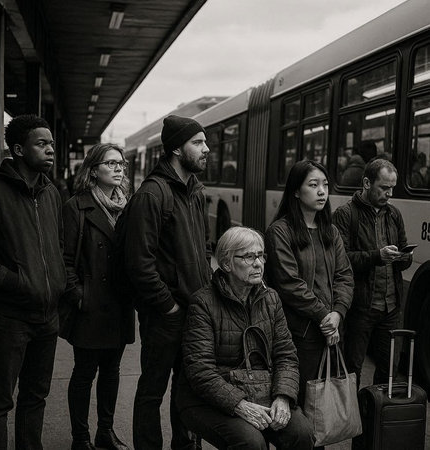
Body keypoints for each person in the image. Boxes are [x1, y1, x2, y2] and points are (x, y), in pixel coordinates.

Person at [121, 115, 212, 450]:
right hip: (165, 315)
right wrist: (168, 306)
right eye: (198, 143)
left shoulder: (197, 193)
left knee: (188, 389)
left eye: (205, 142)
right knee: (152, 389)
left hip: (196, 311)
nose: (207, 149)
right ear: (176, 148)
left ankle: (185, 446)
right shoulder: (152, 195)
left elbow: (204, 249)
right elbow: (139, 262)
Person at [177, 226, 314, 450]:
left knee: (302, 433)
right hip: (207, 400)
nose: (258, 263)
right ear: (226, 263)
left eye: (261, 255)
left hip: (262, 390)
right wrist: (239, 404)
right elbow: (200, 371)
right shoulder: (203, 303)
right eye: (249, 257)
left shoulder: (271, 299)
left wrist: (283, 397)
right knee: (251, 442)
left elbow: (286, 356)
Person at [0, 114, 67, 449]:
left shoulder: (51, 194)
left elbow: (57, 246)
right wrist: (17, 282)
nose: (50, 150)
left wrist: (56, 282)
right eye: (41, 144)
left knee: (35, 397)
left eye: (51, 144)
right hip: (8, 318)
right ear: (18, 148)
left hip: (47, 316)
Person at [264, 160, 353, 431]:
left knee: (320, 410)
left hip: (330, 329)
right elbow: (289, 283)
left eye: (325, 185)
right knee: (300, 409)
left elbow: (345, 276)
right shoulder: (281, 231)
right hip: (298, 333)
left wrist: (338, 312)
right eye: (313, 185)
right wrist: (324, 315)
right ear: (295, 191)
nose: (322, 191)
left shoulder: (331, 231)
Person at [61, 143, 133, 450]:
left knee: (112, 372)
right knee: (84, 373)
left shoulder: (128, 206)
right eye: (111, 163)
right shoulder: (76, 206)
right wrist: (78, 294)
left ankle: (105, 431)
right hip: (90, 304)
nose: (118, 169)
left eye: (121, 164)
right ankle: (81, 438)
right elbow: (63, 259)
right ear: (93, 170)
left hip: (119, 304)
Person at [333, 158, 412, 387]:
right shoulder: (346, 214)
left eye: (392, 188)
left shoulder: (393, 214)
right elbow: (341, 260)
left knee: (389, 369)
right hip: (361, 306)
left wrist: (403, 258)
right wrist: (378, 256)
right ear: (367, 183)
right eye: (384, 187)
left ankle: (375, 416)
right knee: (352, 368)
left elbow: (403, 252)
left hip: (390, 306)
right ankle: (352, 418)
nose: (389, 194)